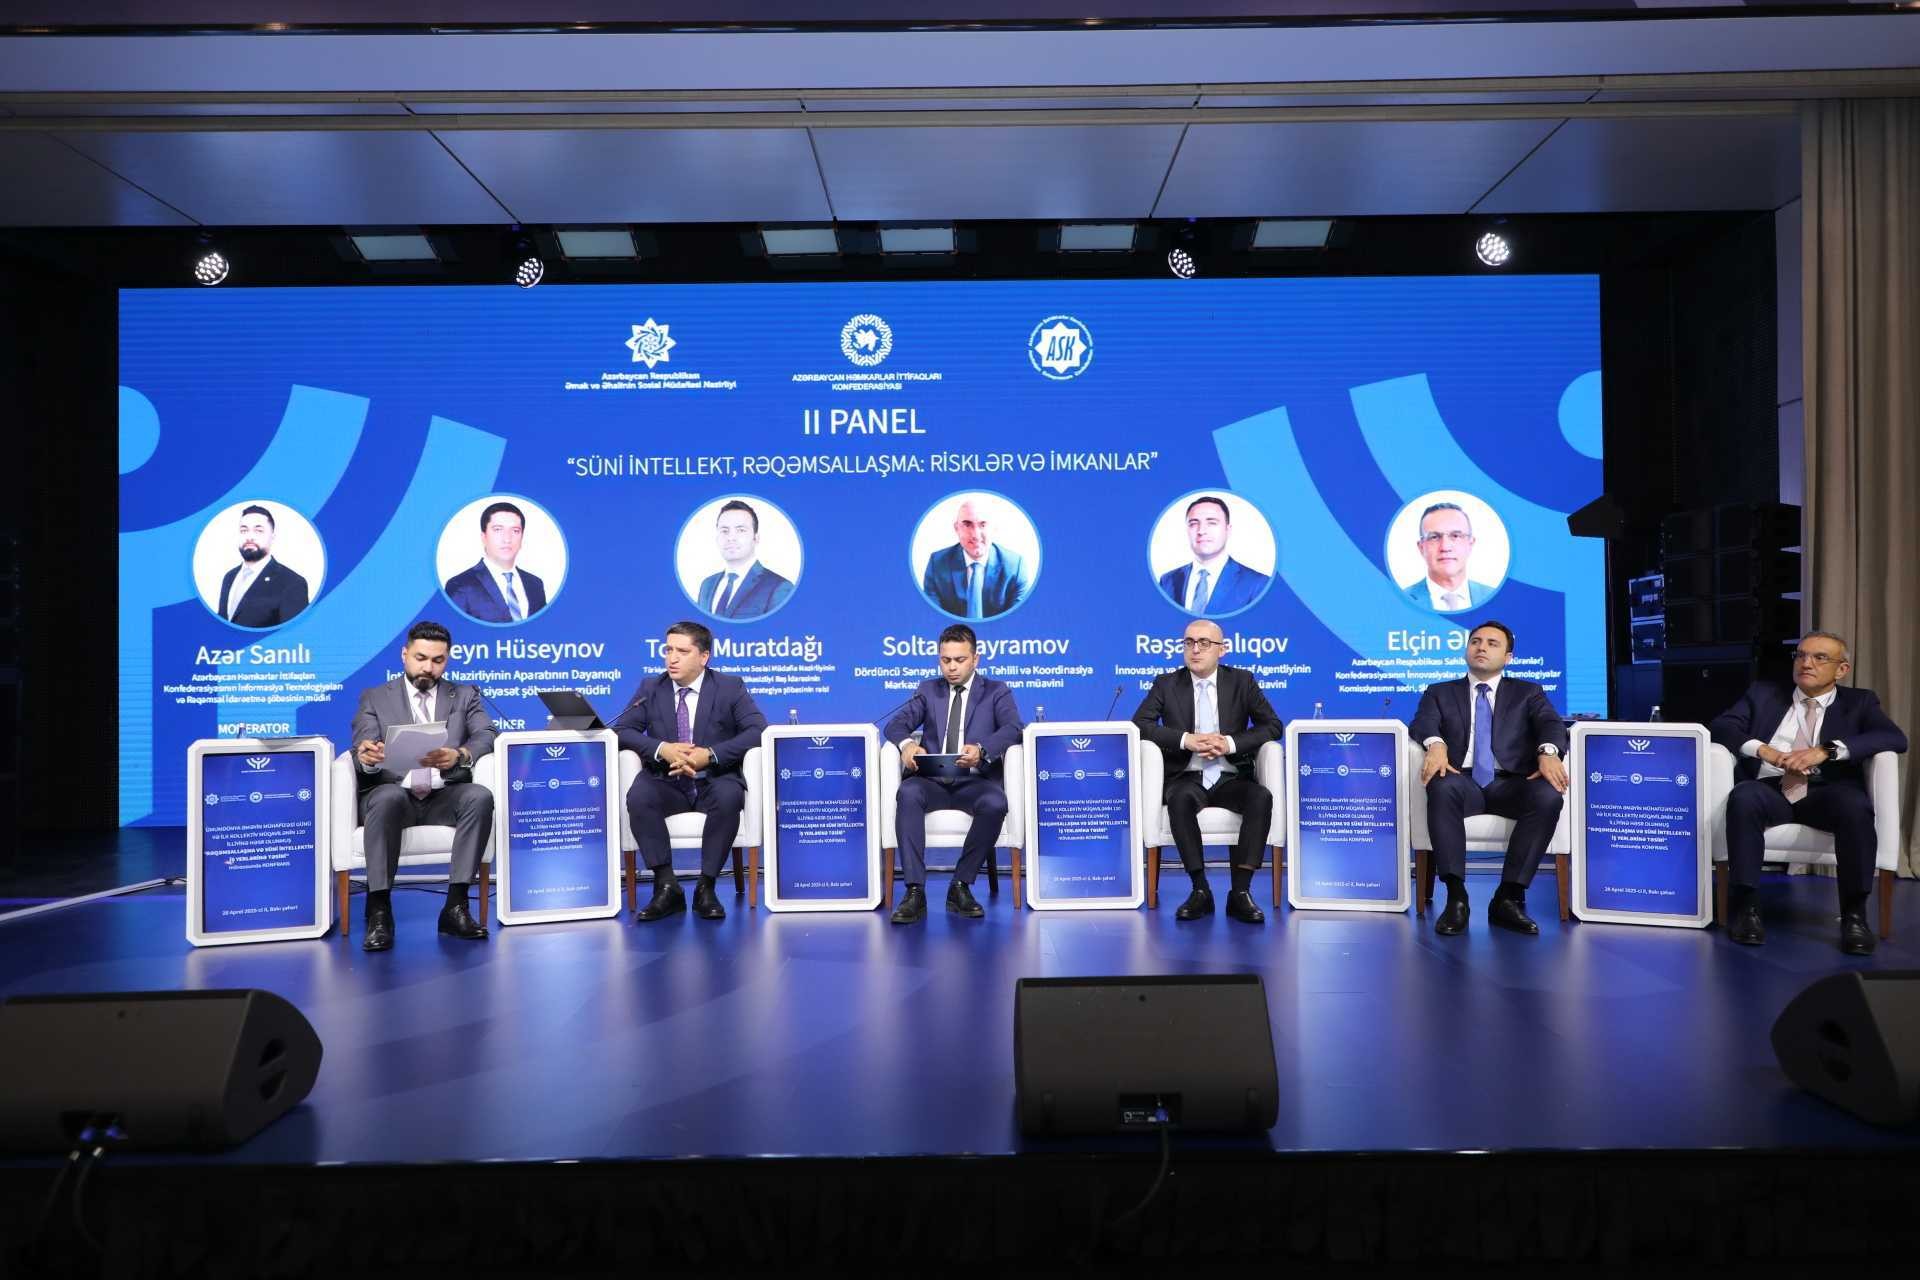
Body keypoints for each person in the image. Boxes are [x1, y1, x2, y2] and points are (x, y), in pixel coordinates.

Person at [1709, 631, 1908, 955]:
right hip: (1771, 787)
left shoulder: (1859, 701)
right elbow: (1721, 726)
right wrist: (1766, 751)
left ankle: (1854, 916)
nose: (1806, 663)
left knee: (1855, 807)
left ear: (1841, 669)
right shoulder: (1764, 693)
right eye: (1801, 655)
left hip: (1827, 790)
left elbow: (1894, 738)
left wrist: (1826, 750)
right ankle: (1746, 908)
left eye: (1819, 657)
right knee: (1743, 797)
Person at [1408, 620, 1569, 935]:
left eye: (1492, 643)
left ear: (1508, 657)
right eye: (1476, 641)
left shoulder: (1528, 692)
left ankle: (1507, 897)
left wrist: (1548, 751)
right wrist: (1436, 744)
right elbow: (1423, 722)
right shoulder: (1439, 692)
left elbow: (1551, 724)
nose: (1481, 647)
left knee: (1548, 796)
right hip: (1462, 778)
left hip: (1512, 781)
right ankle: (1456, 897)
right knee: (1441, 787)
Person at [349, 620, 496, 951]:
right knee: (386, 798)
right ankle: (379, 912)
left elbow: (487, 733)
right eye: (421, 658)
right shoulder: (375, 697)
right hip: (393, 795)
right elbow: (363, 745)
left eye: (437, 660)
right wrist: (369, 756)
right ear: (404, 655)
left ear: (447, 660)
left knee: (479, 797)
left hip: (443, 793)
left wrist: (460, 754)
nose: (428, 667)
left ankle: (456, 907)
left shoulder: (464, 695)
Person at [614, 620, 768, 922]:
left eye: (682, 651)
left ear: (704, 657)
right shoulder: (651, 688)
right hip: (666, 779)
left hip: (714, 778)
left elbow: (757, 730)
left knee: (729, 796)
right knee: (639, 797)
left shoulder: (729, 687)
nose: (672, 658)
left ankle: (706, 888)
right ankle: (666, 886)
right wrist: (662, 749)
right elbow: (622, 731)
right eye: (668, 650)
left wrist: (709, 756)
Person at [1132, 618, 1284, 922]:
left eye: (1204, 643)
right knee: (1179, 800)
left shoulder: (1241, 681)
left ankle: (1240, 892)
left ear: (1221, 650)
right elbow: (1140, 724)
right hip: (1187, 775)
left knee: (1261, 797)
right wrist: (1185, 740)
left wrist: (1229, 744)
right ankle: (1200, 890)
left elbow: (1273, 725)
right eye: (1189, 643)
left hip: (1230, 775)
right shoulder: (1167, 684)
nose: (1195, 650)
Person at [883, 623, 1025, 923]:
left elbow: (1014, 728)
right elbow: (895, 725)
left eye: (959, 660)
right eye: (945, 660)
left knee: (996, 803)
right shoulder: (928, 690)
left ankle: (960, 885)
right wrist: (907, 746)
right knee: (907, 793)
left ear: (975, 659)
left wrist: (982, 750)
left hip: (973, 781)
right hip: (931, 781)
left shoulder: (996, 691)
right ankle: (914, 891)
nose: (951, 667)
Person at [1156, 495, 1270, 616]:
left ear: (1228, 530)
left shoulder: (1257, 583)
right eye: (1193, 523)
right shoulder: (1167, 580)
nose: (1201, 531)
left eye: (1211, 523)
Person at [921, 496, 1032, 619]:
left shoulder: (1016, 567)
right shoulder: (936, 564)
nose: (975, 535)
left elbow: (1018, 620)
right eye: (967, 525)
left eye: (983, 525)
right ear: (957, 528)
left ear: (993, 528)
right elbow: (933, 619)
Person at [443, 500, 549, 623]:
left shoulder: (535, 584)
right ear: (484, 537)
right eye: (498, 529)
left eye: (515, 531)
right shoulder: (460, 584)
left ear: (522, 537)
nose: (507, 539)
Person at [695, 499, 795, 620]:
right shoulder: (707, 585)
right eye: (724, 531)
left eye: (741, 530)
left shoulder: (779, 587)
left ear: (756, 538)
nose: (731, 538)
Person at [216, 503, 310, 627]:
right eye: (244, 530)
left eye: (258, 530)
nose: (249, 537)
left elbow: (293, 634)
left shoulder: (292, 583)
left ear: (272, 537)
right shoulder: (229, 577)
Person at [1402, 501, 1496, 613]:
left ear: (1470, 544)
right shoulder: (1399, 601)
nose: (1445, 547)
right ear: (1421, 547)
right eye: (1434, 537)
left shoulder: (1496, 598)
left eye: (1455, 536)